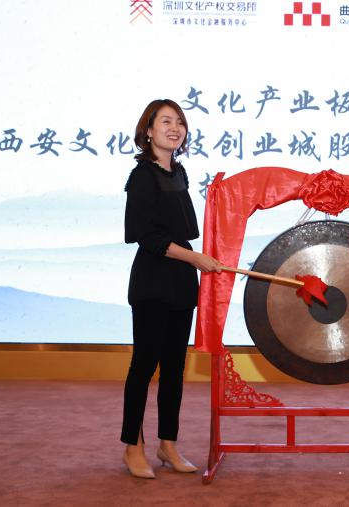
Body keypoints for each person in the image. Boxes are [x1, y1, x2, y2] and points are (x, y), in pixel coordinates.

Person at [120, 99, 222, 479]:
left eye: (179, 122)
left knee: (175, 369)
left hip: (180, 281)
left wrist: (197, 259)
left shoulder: (179, 172)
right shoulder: (142, 176)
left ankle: (168, 444)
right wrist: (195, 258)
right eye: (166, 121)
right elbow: (147, 237)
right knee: (144, 366)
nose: (175, 128)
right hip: (152, 279)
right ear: (148, 131)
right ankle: (133, 446)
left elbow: (182, 230)